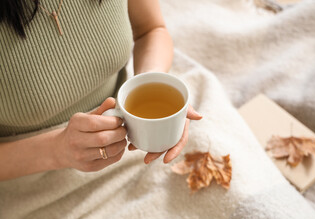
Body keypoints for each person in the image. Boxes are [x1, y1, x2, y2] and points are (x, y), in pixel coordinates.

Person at [0, 0, 202, 181]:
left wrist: (150, 83)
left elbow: (151, 30)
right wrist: (57, 151)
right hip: (32, 178)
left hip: (130, 139)